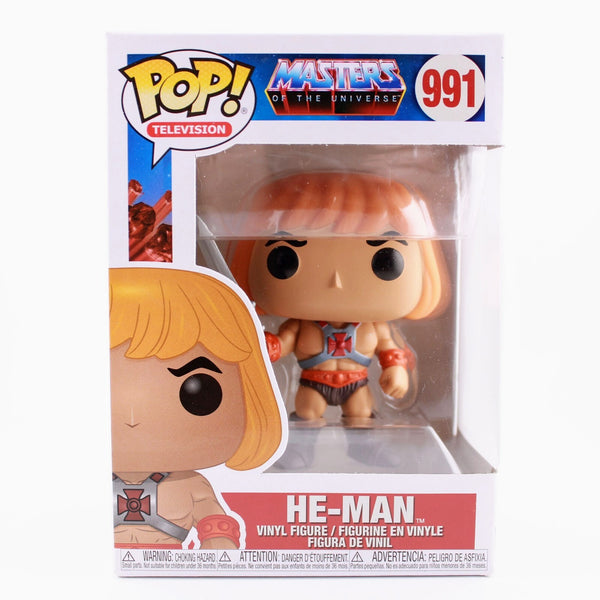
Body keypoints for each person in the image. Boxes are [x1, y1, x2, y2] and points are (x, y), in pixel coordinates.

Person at [231, 172, 448, 422]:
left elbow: (389, 347)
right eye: (284, 259)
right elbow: (284, 342)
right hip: (313, 382)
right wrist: (266, 346)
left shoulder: (375, 327)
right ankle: (302, 443)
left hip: (357, 383)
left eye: (385, 261)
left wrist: (397, 369)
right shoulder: (300, 326)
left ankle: (362, 442)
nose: (336, 281)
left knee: (361, 415)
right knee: (307, 415)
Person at [110, 267, 282, 548]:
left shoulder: (190, 484)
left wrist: (218, 538)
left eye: (199, 391)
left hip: (170, 567)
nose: (132, 418)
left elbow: (212, 516)